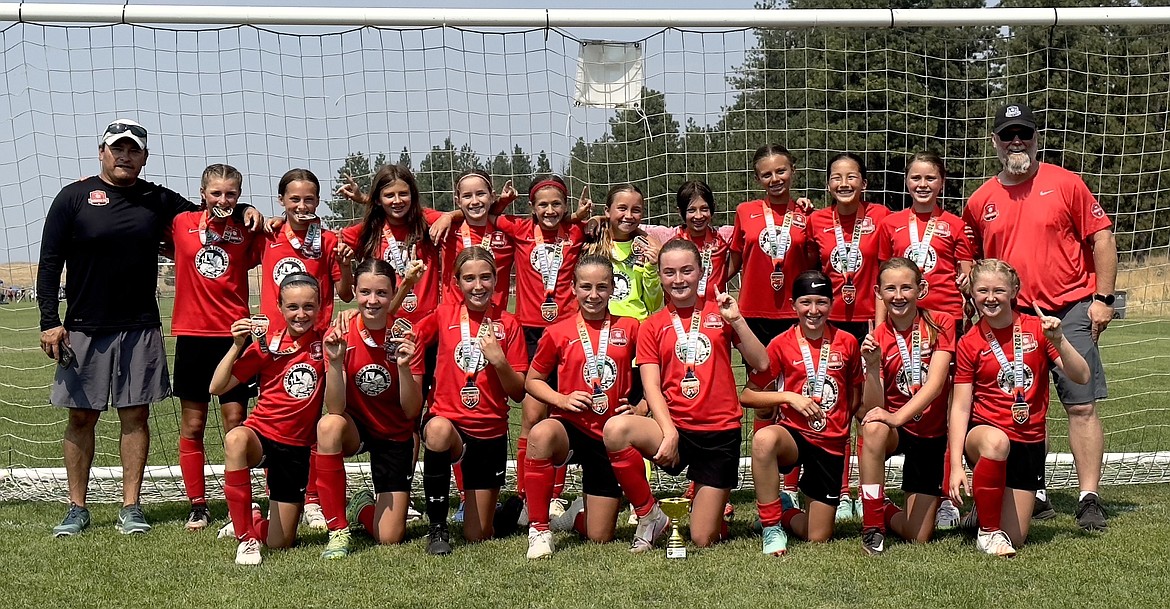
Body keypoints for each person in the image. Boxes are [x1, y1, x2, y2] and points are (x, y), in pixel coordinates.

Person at [37, 119, 261, 537]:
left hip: (140, 326)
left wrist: (246, 208)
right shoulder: (73, 197)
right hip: (83, 326)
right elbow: (50, 262)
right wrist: (50, 321)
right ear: (101, 151)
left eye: (133, 150)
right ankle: (76, 507)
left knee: (135, 417)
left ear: (144, 157)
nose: (125, 156)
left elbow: (208, 212)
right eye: (117, 148)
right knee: (81, 418)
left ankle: (131, 506)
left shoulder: (157, 200)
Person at [963, 102, 1116, 530]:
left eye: (1024, 134)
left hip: (1068, 310)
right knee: (1020, 404)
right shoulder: (980, 199)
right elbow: (966, 252)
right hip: (1008, 319)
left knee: (1080, 404)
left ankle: (1089, 497)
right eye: (1008, 134)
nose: (1017, 142)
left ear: (1036, 138)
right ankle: (1036, 489)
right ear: (995, 141)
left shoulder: (1066, 183)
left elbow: (1102, 236)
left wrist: (1103, 298)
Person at [603, 239, 768, 552]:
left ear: (700, 272)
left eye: (686, 271)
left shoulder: (720, 314)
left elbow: (761, 363)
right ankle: (649, 514)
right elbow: (651, 386)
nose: (678, 279)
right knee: (616, 429)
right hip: (675, 428)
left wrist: (737, 320)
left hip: (720, 434)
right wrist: (669, 432)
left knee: (702, 538)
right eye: (669, 272)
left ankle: (713, 511)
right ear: (661, 276)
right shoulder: (652, 325)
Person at [947, 260, 1090, 557]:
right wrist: (956, 464)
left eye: (999, 290)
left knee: (1016, 537)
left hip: (1028, 442)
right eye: (982, 290)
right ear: (972, 292)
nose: (990, 297)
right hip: (985, 436)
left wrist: (1060, 340)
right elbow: (960, 407)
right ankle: (987, 532)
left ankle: (982, 515)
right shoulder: (970, 342)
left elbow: (1082, 376)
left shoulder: (1038, 329)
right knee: (996, 441)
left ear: (1014, 290)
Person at [411, 246, 528, 555]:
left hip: (490, 431)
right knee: (436, 429)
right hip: (450, 426)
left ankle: (502, 516)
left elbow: (518, 392)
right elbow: (405, 332)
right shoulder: (443, 315)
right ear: (456, 282)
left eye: (486, 277)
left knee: (478, 534)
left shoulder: (509, 325)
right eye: (470, 278)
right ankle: (437, 528)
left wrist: (500, 362)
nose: (478, 286)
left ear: (496, 279)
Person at [522, 255, 641, 558]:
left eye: (602, 287)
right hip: (571, 426)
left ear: (613, 288)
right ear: (573, 288)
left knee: (600, 535)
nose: (593, 295)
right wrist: (561, 400)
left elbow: (654, 372)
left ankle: (576, 514)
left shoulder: (630, 328)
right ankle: (539, 529)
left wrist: (640, 408)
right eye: (585, 286)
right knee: (541, 433)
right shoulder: (558, 332)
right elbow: (532, 381)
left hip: (611, 435)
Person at [167, 164, 264, 531]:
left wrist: (248, 210)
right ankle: (197, 504)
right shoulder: (181, 223)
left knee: (236, 422)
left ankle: (236, 498)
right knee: (193, 424)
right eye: (216, 193)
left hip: (235, 337)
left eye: (232, 194)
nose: (224, 200)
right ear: (202, 192)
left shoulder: (246, 229)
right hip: (193, 336)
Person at [742, 270, 863, 557]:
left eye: (821, 302)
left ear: (831, 304)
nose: (813, 310)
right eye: (805, 302)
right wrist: (789, 397)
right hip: (793, 436)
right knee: (764, 440)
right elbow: (747, 395)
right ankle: (771, 526)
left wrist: (842, 419)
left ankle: (783, 511)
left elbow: (855, 395)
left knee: (817, 536)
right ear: (793, 303)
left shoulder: (847, 342)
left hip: (831, 442)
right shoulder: (781, 344)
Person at [210, 273, 327, 566]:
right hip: (261, 436)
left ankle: (253, 517)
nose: (301, 314)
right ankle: (245, 537)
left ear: (320, 306)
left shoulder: (327, 342)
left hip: (297, 448)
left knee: (281, 542)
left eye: (308, 307)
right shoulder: (268, 344)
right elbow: (217, 387)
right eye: (292, 307)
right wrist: (237, 345)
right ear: (279, 307)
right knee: (235, 438)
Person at [260, 168, 354, 528]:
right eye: (294, 199)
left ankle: (314, 498)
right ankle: (275, 499)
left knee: (316, 421)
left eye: (309, 199)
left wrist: (345, 268)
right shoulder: (266, 236)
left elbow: (344, 293)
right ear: (282, 200)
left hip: (316, 344)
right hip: (275, 346)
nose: (302, 205)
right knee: (275, 423)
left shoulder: (328, 240)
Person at [314, 259, 424, 559]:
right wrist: (335, 364)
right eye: (364, 292)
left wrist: (403, 368)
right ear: (354, 291)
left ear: (393, 294)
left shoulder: (407, 335)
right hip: (357, 428)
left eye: (381, 293)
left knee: (389, 537)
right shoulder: (340, 331)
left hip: (394, 434)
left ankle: (362, 506)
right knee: (328, 426)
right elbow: (335, 407)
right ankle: (337, 529)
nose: (372, 301)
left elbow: (412, 411)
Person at [806, 152, 890, 521]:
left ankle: (870, 490)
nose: (844, 183)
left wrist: (882, 326)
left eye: (851, 176)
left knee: (868, 406)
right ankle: (840, 490)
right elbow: (811, 270)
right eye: (837, 177)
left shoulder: (881, 217)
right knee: (836, 404)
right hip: (831, 325)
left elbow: (886, 271)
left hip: (870, 323)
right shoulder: (816, 221)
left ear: (864, 183)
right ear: (828, 184)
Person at [503, 176, 590, 525]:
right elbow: (482, 216)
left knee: (562, 412)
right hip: (531, 332)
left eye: (557, 204)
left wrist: (584, 219)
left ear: (566, 206)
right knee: (531, 414)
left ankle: (555, 495)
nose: (550, 210)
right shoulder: (519, 230)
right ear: (531, 207)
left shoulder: (577, 232)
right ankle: (527, 495)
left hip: (567, 332)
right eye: (543, 204)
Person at [856, 258, 956, 555]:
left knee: (918, 535)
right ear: (879, 292)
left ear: (920, 289)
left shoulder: (941, 323)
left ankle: (885, 508)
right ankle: (872, 525)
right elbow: (873, 407)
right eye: (890, 289)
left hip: (929, 434)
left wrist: (897, 416)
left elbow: (935, 384)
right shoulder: (877, 338)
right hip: (896, 432)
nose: (898, 296)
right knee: (873, 427)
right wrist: (872, 368)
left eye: (905, 288)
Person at [876, 152, 974, 328]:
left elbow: (968, 279)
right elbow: (883, 280)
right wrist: (879, 326)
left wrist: (967, 281)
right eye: (915, 178)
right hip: (902, 315)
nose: (922, 185)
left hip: (946, 316)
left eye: (930, 178)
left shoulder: (956, 225)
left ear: (942, 183)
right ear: (906, 181)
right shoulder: (889, 224)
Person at [729, 145, 815, 346]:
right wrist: (706, 287)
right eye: (766, 174)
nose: (775, 179)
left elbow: (814, 263)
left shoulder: (808, 214)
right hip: (753, 312)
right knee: (759, 374)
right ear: (757, 179)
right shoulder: (744, 211)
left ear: (793, 170)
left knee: (797, 375)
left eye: (781, 171)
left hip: (796, 310)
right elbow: (735, 259)